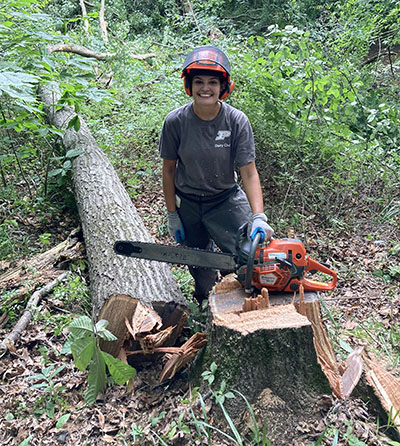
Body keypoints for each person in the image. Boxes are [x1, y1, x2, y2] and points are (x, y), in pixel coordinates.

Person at [159, 45, 274, 304]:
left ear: (223, 87)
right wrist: (172, 214)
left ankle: (246, 301)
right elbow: (168, 170)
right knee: (199, 266)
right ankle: (204, 300)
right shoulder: (175, 122)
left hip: (225, 199)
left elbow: (249, 171)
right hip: (188, 201)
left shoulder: (236, 121)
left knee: (250, 256)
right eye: (199, 81)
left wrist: (258, 216)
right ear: (189, 86)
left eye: (212, 82)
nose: (205, 88)